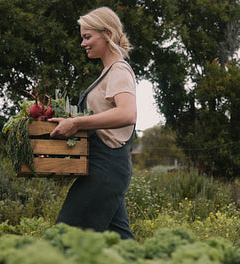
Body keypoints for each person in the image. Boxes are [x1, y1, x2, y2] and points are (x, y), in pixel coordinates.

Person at [48, 6, 136, 239]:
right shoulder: (108, 72)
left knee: (65, 240)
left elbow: (127, 114)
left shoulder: (118, 70)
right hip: (105, 168)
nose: (83, 43)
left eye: (88, 37)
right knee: (119, 243)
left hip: (105, 168)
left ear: (106, 34)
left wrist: (77, 124)